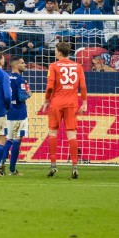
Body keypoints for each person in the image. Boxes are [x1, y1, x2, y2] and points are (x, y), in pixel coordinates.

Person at [38, 41, 87, 179]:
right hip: (71, 104)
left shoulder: (53, 66)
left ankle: (53, 165)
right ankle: (75, 166)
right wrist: (84, 102)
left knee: (53, 133)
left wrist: (47, 101)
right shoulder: (78, 66)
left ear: (59, 52)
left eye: (55, 50)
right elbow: (82, 86)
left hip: (56, 103)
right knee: (72, 135)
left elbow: (50, 87)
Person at [4, 58, 30, 175]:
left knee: (8, 139)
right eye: (22, 63)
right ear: (15, 65)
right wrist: (28, 94)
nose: (25, 64)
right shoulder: (20, 80)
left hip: (7, 112)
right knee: (17, 140)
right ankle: (12, 169)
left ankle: (0, 164)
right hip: (19, 113)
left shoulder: (6, 77)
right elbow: (21, 97)